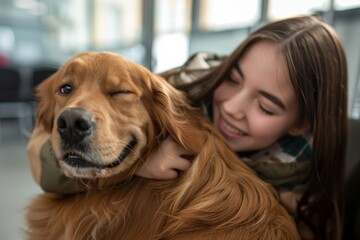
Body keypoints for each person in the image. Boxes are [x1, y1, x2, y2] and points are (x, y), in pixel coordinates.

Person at [28, 15, 348, 240]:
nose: (233, 107)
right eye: (233, 79)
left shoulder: (302, 188)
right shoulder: (177, 87)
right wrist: (138, 162)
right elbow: (41, 141)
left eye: (265, 106)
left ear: (302, 124)